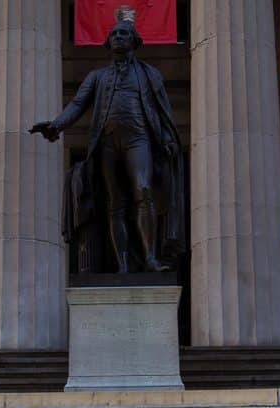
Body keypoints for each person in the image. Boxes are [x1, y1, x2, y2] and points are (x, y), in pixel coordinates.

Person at [31, 21, 184, 274]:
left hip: (139, 138)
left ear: (134, 41)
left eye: (123, 33)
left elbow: (161, 109)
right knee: (115, 203)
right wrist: (56, 125)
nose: (118, 37)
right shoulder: (97, 77)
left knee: (143, 191)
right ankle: (122, 265)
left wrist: (167, 138)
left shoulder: (149, 74)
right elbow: (78, 104)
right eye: (113, 34)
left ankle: (150, 259)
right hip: (106, 143)